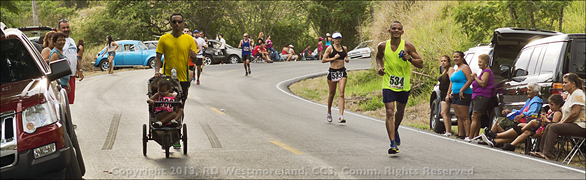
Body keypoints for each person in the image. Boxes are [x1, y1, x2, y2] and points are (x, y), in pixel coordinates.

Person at [375, 21, 423, 154]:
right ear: (389, 31)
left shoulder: (408, 46)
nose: (396, 30)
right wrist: (380, 67)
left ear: (402, 32)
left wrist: (410, 59)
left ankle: (395, 129)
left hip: (403, 83)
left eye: (399, 29)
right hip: (388, 82)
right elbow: (378, 58)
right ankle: (392, 143)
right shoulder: (382, 46)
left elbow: (421, 64)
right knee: (390, 111)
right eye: (393, 28)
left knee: (400, 111)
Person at [531, 73, 585, 160]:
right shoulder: (570, 95)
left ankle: (547, 154)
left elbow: (575, 114)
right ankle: (541, 152)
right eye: (563, 82)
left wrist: (562, 122)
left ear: (573, 84)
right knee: (549, 126)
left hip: (580, 125)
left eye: (566, 83)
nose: (563, 85)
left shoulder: (578, 93)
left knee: (553, 127)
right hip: (572, 124)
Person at [154, 13, 198, 107]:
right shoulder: (164, 39)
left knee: (180, 105)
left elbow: (194, 61)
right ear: (171, 24)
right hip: (167, 78)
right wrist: (157, 71)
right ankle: (165, 120)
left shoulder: (189, 39)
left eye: (179, 21)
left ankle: (178, 121)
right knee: (165, 103)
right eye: (174, 22)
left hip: (183, 78)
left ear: (183, 23)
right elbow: (158, 57)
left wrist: (194, 57)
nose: (177, 24)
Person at [497, 95, 563, 151]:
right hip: (541, 127)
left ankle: (519, 131)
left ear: (558, 105)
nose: (550, 106)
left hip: (545, 129)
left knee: (533, 122)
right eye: (549, 104)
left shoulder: (557, 113)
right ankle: (511, 145)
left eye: (552, 105)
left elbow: (553, 125)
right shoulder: (552, 112)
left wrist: (545, 119)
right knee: (523, 128)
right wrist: (545, 116)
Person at [322, 32, 350, 124]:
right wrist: (333, 58)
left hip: (342, 72)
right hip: (332, 72)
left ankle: (341, 116)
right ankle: (329, 111)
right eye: (336, 38)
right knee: (331, 94)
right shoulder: (330, 49)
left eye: (339, 38)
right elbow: (323, 60)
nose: (337, 40)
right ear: (333, 39)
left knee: (341, 94)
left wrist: (346, 59)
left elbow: (346, 56)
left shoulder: (344, 48)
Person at [447, 51, 473, 141]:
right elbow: (452, 82)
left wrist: (462, 90)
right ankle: (460, 134)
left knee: (464, 116)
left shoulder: (465, 68)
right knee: (458, 115)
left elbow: (470, 80)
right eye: (454, 57)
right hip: (455, 94)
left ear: (462, 58)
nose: (455, 59)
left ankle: (468, 135)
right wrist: (450, 92)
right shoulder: (456, 69)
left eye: (457, 57)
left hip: (464, 93)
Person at [469, 54, 494, 141]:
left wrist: (475, 78)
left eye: (480, 62)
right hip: (478, 96)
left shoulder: (487, 71)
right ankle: (475, 136)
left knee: (474, 117)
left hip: (481, 96)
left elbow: (483, 84)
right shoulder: (484, 71)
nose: (478, 63)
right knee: (477, 117)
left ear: (486, 63)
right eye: (478, 62)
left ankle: (470, 137)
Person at [58, 19, 83, 104]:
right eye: (63, 28)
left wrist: (80, 70)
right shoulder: (58, 42)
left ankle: (67, 117)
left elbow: (75, 56)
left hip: (72, 76)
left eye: (67, 27)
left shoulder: (71, 40)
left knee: (69, 102)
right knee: (63, 102)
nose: (66, 29)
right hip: (64, 77)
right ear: (59, 29)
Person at [438, 55, 455, 137]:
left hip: (446, 93)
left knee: (443, 112)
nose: (443, 62)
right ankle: (448, 130)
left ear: (449, 62)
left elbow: (452, 81)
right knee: (446, 113)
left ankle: (448, 131)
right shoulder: (444, 70)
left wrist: (448, 93)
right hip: (442, 93)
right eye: (441, 61)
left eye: (445, 61)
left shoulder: (450, 69)